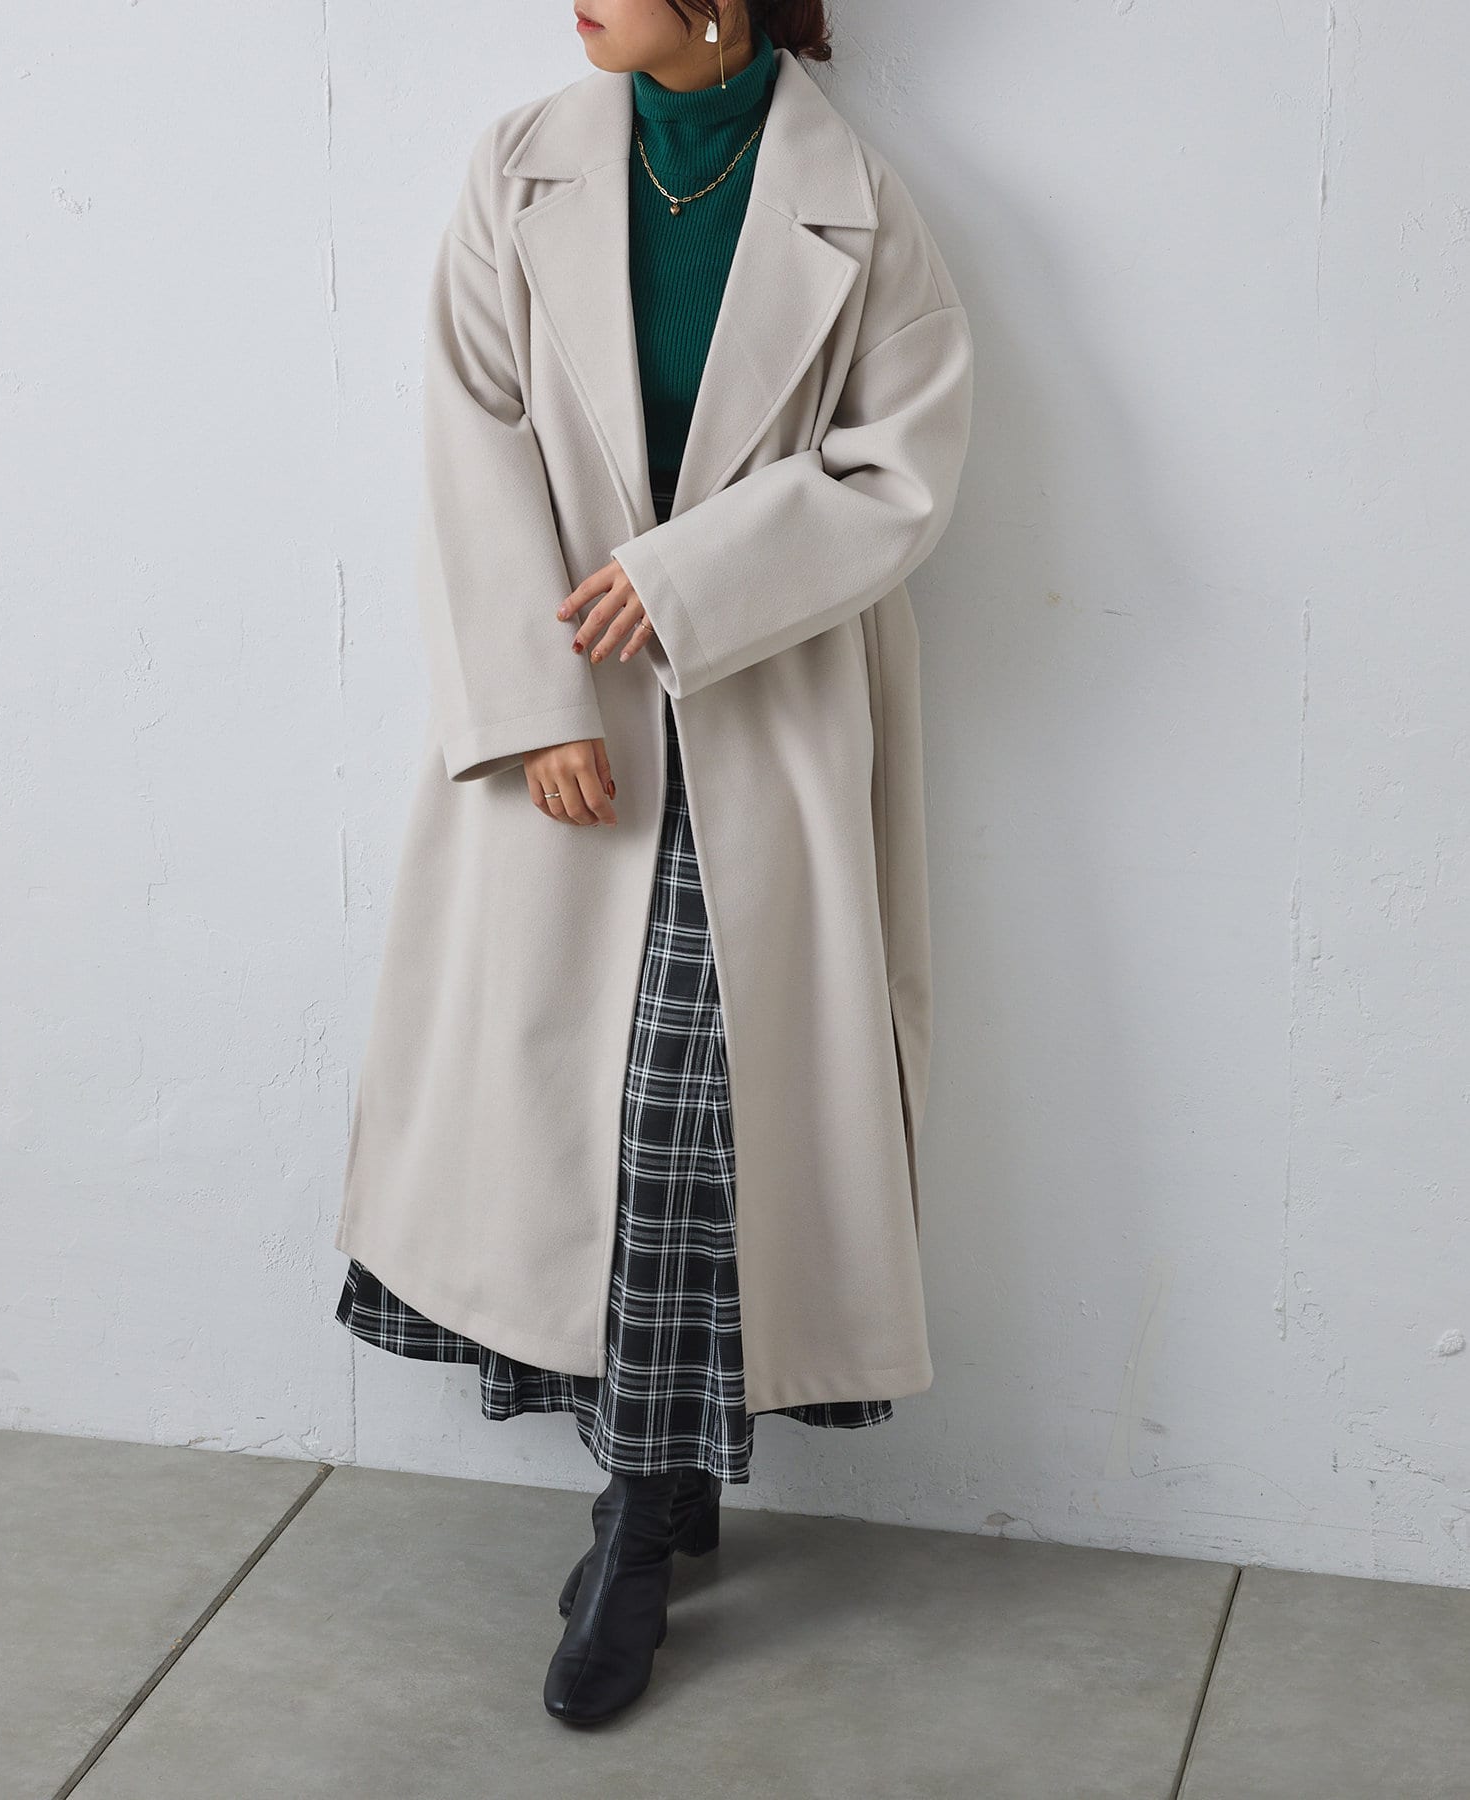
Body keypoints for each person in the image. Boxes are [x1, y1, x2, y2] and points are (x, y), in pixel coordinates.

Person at [332, 0, 975, 1727]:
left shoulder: (860, 202)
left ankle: (638, 1514)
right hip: (566, 726)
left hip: (770, 714)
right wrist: (532, 706)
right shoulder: (520, 166)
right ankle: (662, 1488)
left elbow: (904, 471)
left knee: (696, 1137)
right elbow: (468, 436)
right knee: (572, 1127)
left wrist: (687, 584)